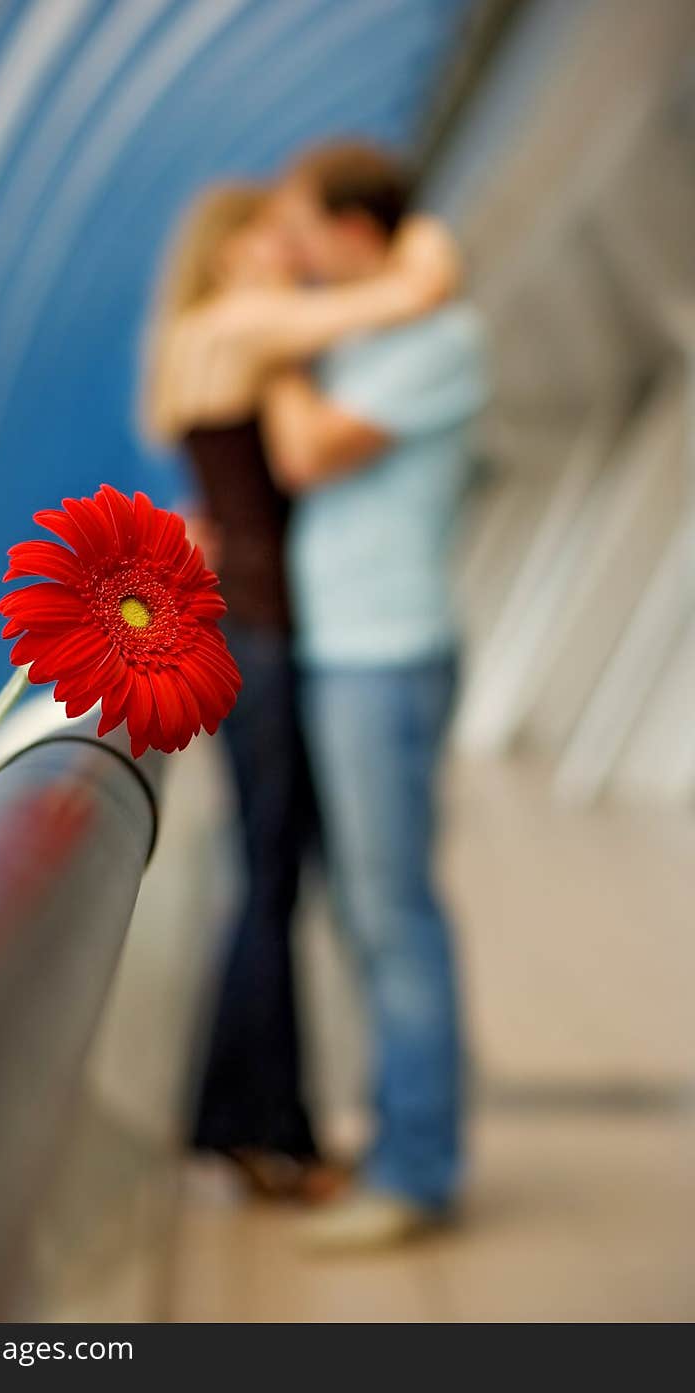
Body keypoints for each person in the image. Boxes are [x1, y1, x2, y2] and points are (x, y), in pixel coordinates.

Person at [141, 178, 460, 1200]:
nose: (292, 253)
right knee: (272, 880)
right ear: (229, 250)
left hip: (247, 627)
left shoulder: (202, 335)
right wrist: (426, 252)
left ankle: (256, 1123)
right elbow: (401, 302)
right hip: (265, 634)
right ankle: (259, 1133)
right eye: (272, 237)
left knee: (268, 874)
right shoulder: (243, 324)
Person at [261, 141, 489, 1247]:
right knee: (367, 910)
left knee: (394, 914)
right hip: (346, 652)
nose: (292, 256)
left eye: (303, 230)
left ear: (358, 231)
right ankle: (403, 1136)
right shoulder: (368, 333)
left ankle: (416, 1171)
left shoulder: (433, 340)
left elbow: (308, 454)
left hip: (386, 658)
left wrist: (268, 348)